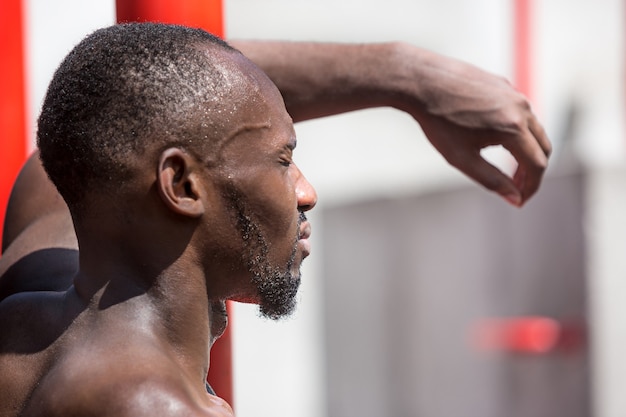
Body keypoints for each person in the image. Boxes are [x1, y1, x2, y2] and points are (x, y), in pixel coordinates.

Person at [0, 23, 550, 417]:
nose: (306, 192)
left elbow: (141, 88)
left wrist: (408, 76)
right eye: (283, 160)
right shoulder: (159, 407)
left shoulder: (27, 292)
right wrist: (405, 78)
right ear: (182, 185)